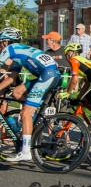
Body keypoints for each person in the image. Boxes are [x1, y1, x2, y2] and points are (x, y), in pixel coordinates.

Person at [0, 28, 60, 162]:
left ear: (5, 41)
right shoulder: (19, 51)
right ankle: (34, 109)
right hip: (50, 75)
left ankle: (26, 152)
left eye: (0, 42)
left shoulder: (9, 49)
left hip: (47, 75)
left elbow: (1, 69)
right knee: (16, 92)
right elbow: (11, 78)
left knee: (25, 113)